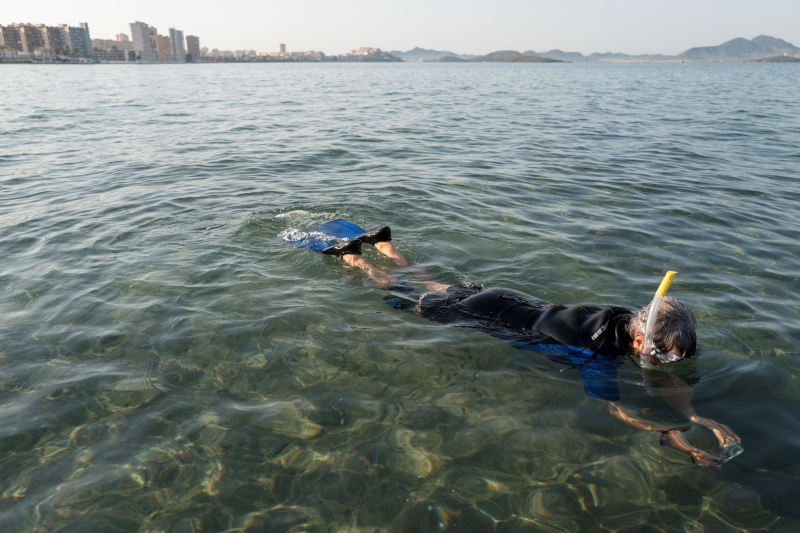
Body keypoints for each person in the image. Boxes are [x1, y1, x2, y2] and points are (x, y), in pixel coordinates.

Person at [321, 227, 742, 467]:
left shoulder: (621, 317)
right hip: (488, 315)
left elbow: (661, 374)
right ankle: (357, 258)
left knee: (433, 284)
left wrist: (697, 416)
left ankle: (384, 244)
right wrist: (674, 435)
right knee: (404, 295)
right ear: (639, 340)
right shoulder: (597, 356)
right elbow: (617, 410)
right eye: (666, 353)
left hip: (507, 297)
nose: (669, 363)